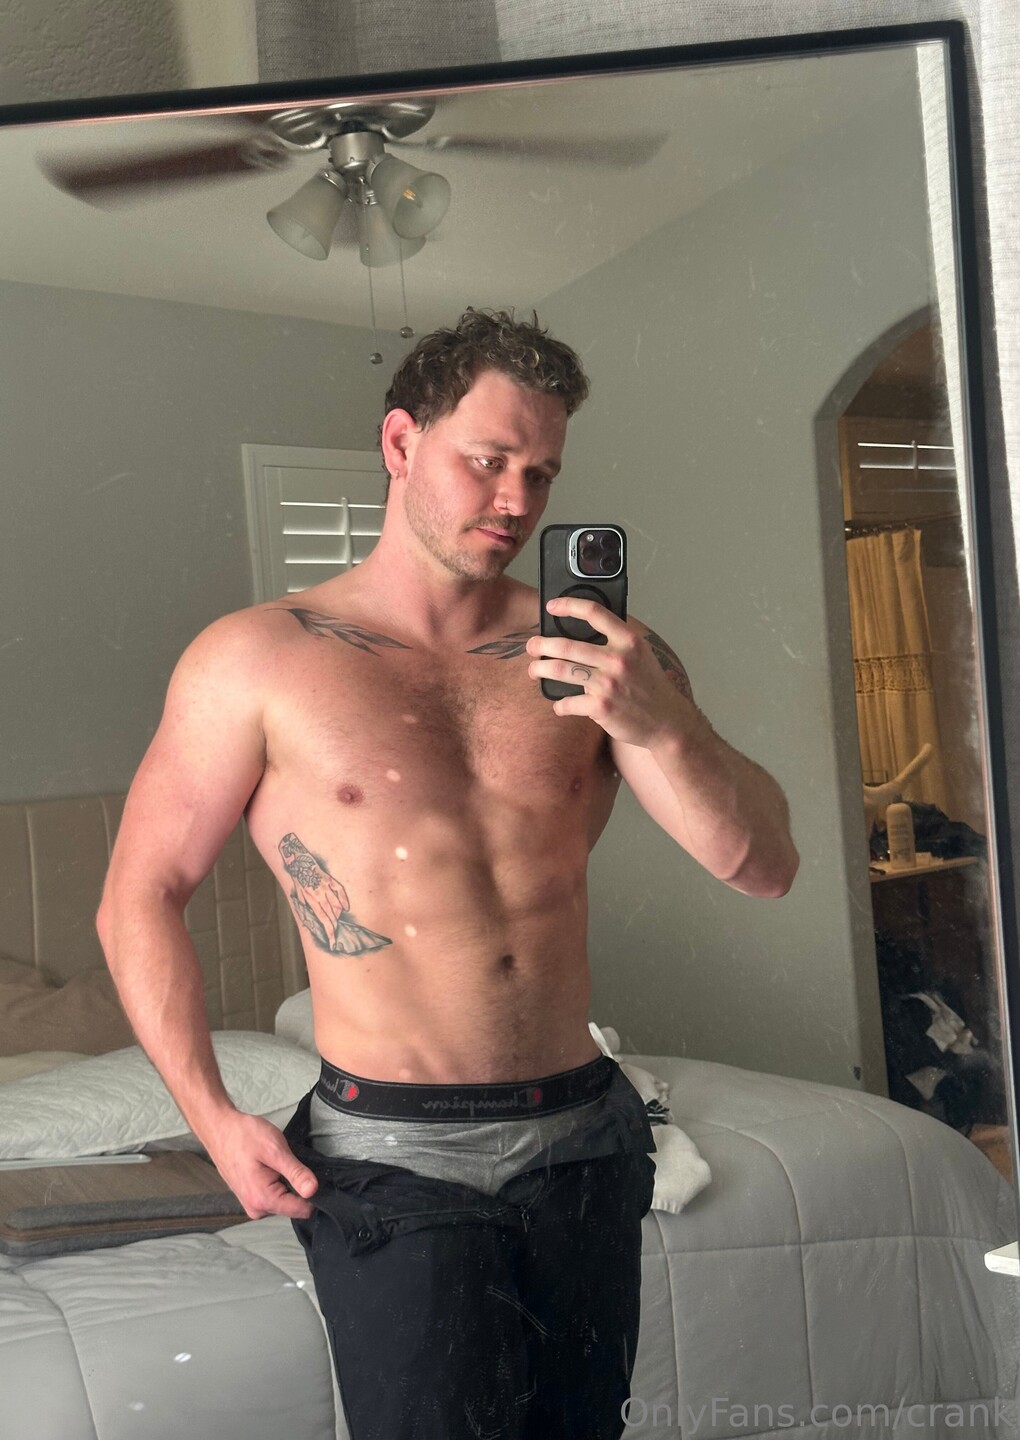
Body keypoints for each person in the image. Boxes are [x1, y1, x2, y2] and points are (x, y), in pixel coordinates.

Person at [96, 307, 798, 1439]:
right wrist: (213, 1116)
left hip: (585, 1142)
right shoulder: (256, 659)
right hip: (389, 1157)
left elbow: (761, 866)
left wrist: (661, 724)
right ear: (400, 443)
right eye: (487, 460)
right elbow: (142, 893)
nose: (516, 500)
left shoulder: (600, 656)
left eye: (541, 472)